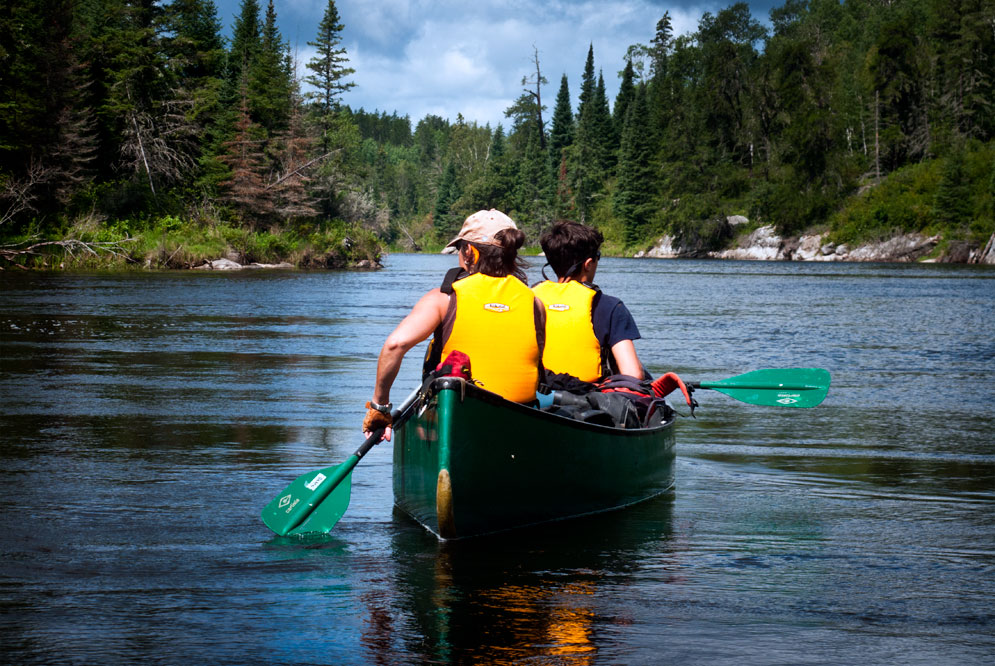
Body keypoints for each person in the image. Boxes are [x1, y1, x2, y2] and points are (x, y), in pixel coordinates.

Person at [363, 210, 545, 440]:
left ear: (469, 251)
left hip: (459, 420)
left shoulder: (444, 299)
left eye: (459, 248)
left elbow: (394, 346)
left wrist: (379, 407)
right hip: (520, 422)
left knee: (423, 424)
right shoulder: (535, 303)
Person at [532, 220, 644, 383]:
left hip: (538, 389)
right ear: (588, 264)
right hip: (587, 394)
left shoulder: (528, 298)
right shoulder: (610, 307)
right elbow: (633, 374)